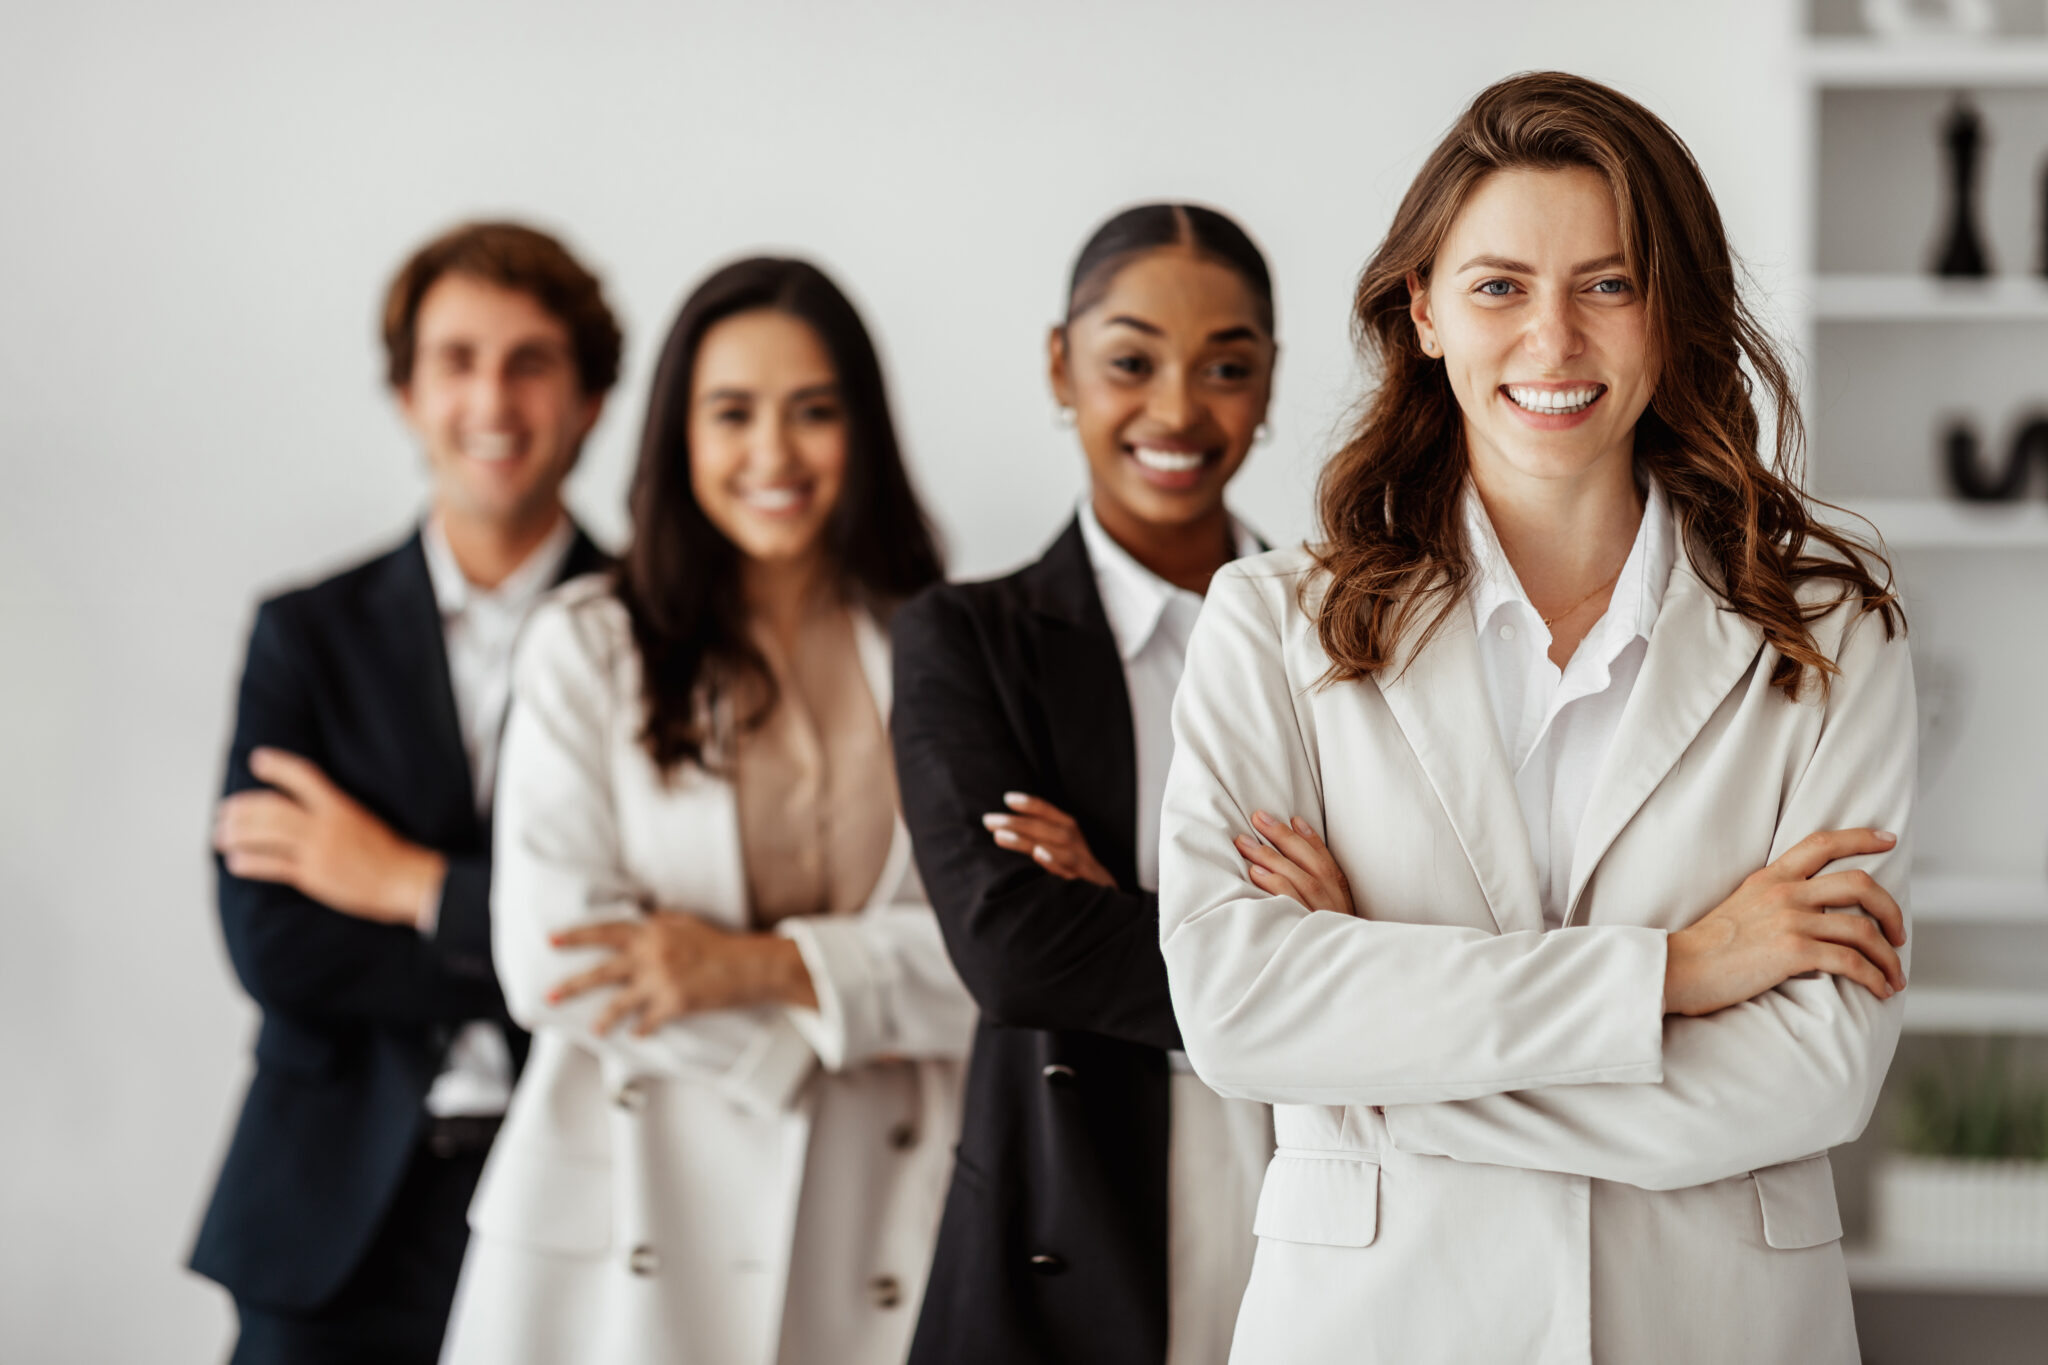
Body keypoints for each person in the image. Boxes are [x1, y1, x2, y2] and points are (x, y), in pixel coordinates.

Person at [1157, 72, 1914, 1365]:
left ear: (1670, 315)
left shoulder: (1830, 629)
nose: (1553, 342)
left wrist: (1379, 1062)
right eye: (1501, 285)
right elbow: (1235, 1011)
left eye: (1609, 284)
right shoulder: (1269, 627)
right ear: (1428, 311)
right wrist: (1678, 972)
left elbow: (1815, 1074)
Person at [439, 257, 975, 1365]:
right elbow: (553, 964)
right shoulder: (590, 644)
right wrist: (833, 1023)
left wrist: (756, 969)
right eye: (731, 414)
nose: (771, 455)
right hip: (630, 1224)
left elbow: (993, 968)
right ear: (677, 437)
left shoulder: (943, 644)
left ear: (861, 431)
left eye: (812, 413)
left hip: (872, 1210)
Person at [192, 221, 620, 1363]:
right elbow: (275, 944)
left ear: (588, 399)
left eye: (531, 362)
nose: (494, 397)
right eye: (458, 359)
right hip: (332, 1214)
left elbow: (650, 943)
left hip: (589, 1201)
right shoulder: (306, 637)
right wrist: (518, 931)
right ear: (406, 393)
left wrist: (400, 882)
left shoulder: (664, 639)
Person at [892, 204, 1279, 1365]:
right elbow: (1012, 950)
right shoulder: (965, 638)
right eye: (1129, 361)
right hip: (1057, 1228)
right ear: (1059, 367)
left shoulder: (1353, 628)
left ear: (1267, 383)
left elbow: (1424, 929)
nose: (1174, 410)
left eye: (1225, 366)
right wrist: (1304, 964)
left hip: (1322, 1195)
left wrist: (1111, 914)